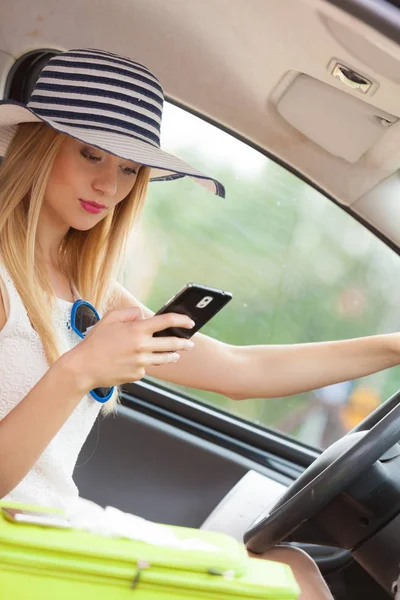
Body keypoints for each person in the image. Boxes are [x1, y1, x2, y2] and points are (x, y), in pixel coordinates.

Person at [0, 47, 395, 599]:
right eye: (91, 154)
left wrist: (392, 346)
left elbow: (238, 370)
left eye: (129, 168)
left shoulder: (85, 290)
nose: (110, 187)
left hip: (58, 528)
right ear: (38, 146)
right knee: (289, 580)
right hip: (23, 553)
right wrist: (78, 371)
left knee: (292, 564)